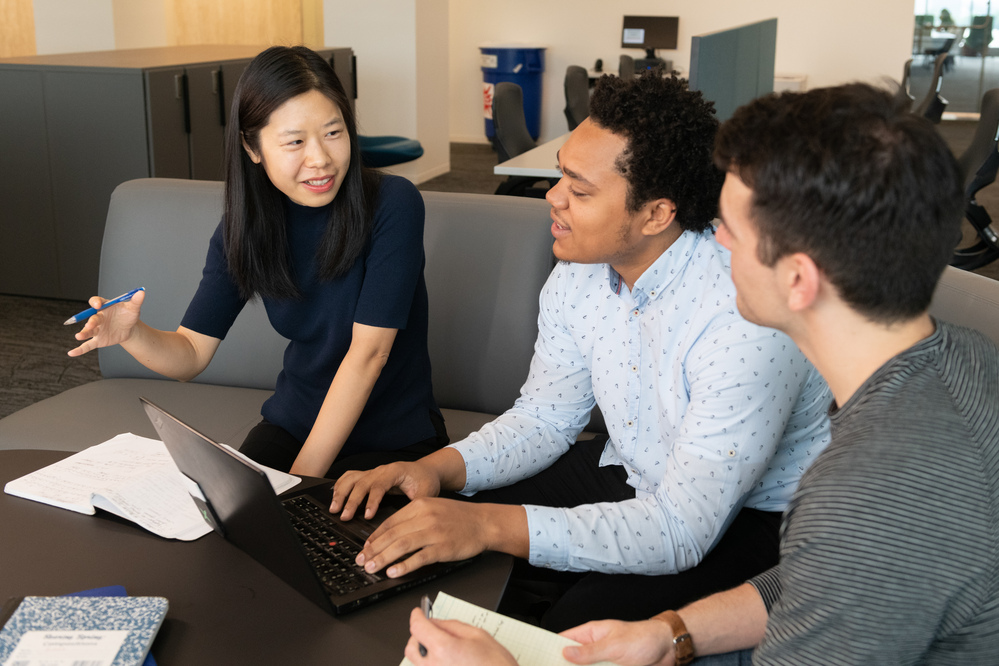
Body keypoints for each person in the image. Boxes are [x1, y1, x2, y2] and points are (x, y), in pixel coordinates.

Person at [489, 83, 995, 666]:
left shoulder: (863, 491)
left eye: (731, 227)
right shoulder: (963, 358)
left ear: (798, 281)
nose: (713, 239)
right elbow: (815, 575)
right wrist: (675, 632)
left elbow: (846, 554)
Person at [333, 71, 832, 630]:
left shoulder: (744, 315)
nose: (553, 197)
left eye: (580, 189)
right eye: (559, 175)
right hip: (635, 471)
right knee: (415, 527)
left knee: (570, 627)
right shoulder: (578, 275)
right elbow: (546, 418)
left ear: (656, 214)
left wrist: (489, 527)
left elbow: (681, 530)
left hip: (751, 518)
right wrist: (434, 470)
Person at [68, 46, 447, 478]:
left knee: (310, 533)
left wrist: (297, 485)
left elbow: (369, 354)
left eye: (333, 133)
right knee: (224, 522)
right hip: (292, 423)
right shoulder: (245, 228)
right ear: (252, 147)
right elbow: (190, 354)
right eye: (295, 142)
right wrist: (132, 333)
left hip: (392, 438)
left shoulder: (392, 203)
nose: (320, 158)